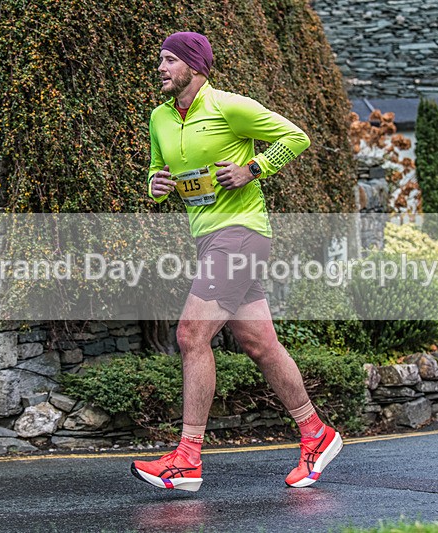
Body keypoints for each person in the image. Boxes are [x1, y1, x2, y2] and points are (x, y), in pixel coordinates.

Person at [130, 31, 343, 492]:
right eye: (160, 61)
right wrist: (156, 184)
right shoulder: (159, 118)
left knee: (191, 333)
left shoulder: (229, 106)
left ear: (194, 66)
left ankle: (187, 458)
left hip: (242, 234)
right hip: (208, 239)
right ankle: (316, 433)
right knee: (260, 344)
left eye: (169, 60)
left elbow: (296, 137)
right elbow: (154, 169)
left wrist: (254, 169)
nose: (161, 68)